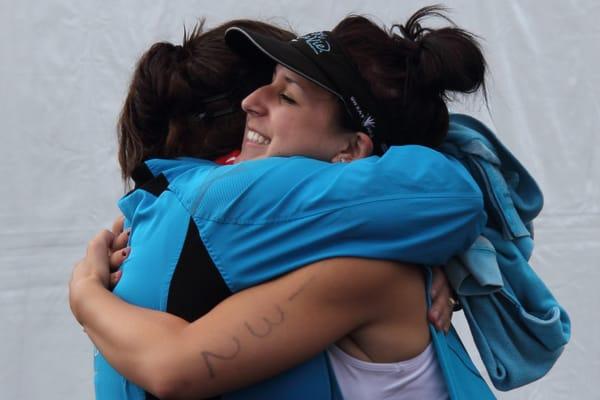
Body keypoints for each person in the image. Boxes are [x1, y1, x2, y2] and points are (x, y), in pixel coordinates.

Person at [70, 7, 494, 400]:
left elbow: (174, 366)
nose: (250, 102)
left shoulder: (366, 270)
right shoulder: (330, 239)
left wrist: (86, 294)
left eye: (287, 96)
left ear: (351, 150)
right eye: (267, 83)